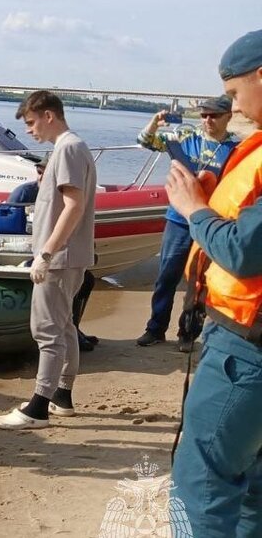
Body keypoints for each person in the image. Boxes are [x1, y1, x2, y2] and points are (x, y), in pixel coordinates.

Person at [168, 29, 262, 536]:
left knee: (200, 485)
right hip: (247, 344)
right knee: (251, 486)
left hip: (247, 353)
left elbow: (246, 253)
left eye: (233, 95)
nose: (237, 108)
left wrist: (196, 210)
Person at [0, 91, 96, 430]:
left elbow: (74, 206)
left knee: (47, 329)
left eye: (31, 122)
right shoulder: (74, 147)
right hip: (72, 255)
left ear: (49, 116)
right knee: (65, 326)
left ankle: (37, 406)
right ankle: (62, 396)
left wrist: (47, 253)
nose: (29, 130)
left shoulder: (67, 148)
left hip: (61, 257)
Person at [135, 94, 239, 352]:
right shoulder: (186, 137)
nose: (207, 120)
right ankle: (155, 329)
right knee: (167, 275)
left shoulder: (236, 149)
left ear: (228, 117)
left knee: (199, 281)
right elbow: (144, 141)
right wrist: (154, 122)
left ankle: (188, 334)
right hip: (178, 219)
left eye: (213, 116)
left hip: (211, 221)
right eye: (203, 115)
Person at [0, 156, 100, 352]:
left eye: (47, 173)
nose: (42, 178)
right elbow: (4, 221)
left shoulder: (71, 196)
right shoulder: (25, 192)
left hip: (59, 255)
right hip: (29, 253)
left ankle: (73, 328)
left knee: (86, 280)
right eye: (40, 172)